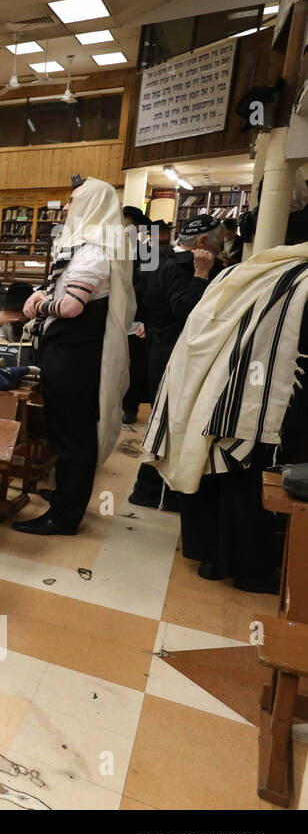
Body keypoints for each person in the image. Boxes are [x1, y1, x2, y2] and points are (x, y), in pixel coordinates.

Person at [144, 241, 308, 592]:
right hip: (263, 397)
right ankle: (251, 571)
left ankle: (211, 558)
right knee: (250, 485)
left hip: (209, 383)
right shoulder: (302, 280)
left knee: (213, 471)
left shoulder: (244, 271)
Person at [12, 177, 132, 536]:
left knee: (73, 436)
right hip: (67, 353)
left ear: (92, 206)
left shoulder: (94, 251)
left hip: (75, 357)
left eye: (74, 201)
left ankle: (65, 516)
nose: (66, 208)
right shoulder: (88, 247)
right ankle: (65, 495)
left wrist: (39, 305)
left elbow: (72, 306)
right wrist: (42, 293)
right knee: (63, 430)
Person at [127, 215, 225, 510]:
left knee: (167, 421)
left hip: (161, 350)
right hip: (175, 355)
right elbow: (186, 311)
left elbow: (142, 301)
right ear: (203, 242)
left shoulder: (161, 261)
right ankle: (153, 489)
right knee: (174, 422)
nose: (224, 248)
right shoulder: (187, 268)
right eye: (220, 242)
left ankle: (152, 489)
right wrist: (201, 275)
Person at [121, 207, 151, 424]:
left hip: (136, 319)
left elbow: (152, 289)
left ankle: (130, 408)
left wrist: (147, 320)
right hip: (112, 318)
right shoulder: (111, 250)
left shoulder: (149, 252)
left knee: (133, 367)